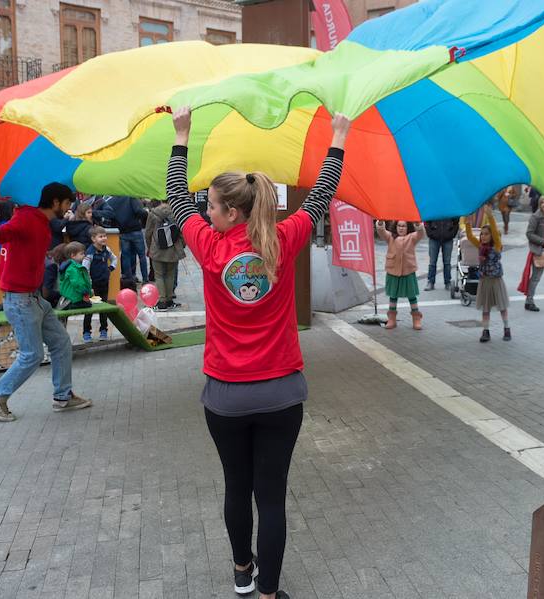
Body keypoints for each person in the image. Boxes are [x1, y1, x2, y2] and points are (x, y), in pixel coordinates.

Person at [166, 105, 350, 599]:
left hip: (226, 396)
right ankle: (268, 593)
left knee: (235, 486)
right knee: (270, 499)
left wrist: (182, 134)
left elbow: (174, 196)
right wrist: (338, 137)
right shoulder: (282, 240)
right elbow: (322, 195)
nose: (205, 211)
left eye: (212, 206)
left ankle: (242, 574)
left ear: (232, 213)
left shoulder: (209, 246)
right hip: (281, 393)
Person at [0, 182, 92, 422]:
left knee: (61, 343)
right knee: (31, 355)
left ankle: (63, 397)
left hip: (34, 299)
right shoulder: (26, 218)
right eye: (66, 203)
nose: (68, 208)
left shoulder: (39, 221)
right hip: (20, 301)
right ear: (55, 203)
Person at [463, 207, 510, 342]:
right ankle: (486, 331)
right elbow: (470, 236)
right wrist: (468, 223)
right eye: (482, 234)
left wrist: (490, 217)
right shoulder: (480, 246)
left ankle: (506, 329)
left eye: (486, 234)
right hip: (484, 280)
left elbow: (495, 233)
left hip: (496, 280)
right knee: (485, 308)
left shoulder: (497, 246)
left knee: (502, 306)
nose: (483, 236)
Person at [377, 220, 426, 330]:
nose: (401, 228)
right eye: (399, 226)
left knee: (411, 295)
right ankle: (392, 319)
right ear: (396, 227)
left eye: (404, 226)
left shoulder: (412, 237)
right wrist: (380, 223)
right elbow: (381, 232)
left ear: (408, 227)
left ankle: (416, 317)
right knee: (393, 296)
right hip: (393, 270)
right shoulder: (390, 237)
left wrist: (418, 225)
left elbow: (421, 233)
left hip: (408, 270)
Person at [145, 199, 186, 310]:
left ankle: (162, 300)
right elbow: (183, 231)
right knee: (170, 274)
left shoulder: (153, 213)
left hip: (157, 248)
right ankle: (169, 299)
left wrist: (150, 247)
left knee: (158, 275)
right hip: (173, 248)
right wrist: (182, 245)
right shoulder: (177, 212)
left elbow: (148, 232)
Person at [97, 195, 148, 283]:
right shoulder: (131, 197)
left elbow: (110, 216)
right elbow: (138, 211)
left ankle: (129, 279)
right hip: (135, 230)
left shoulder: (111, 201)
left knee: (125, 256)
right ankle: (145, 279)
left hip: (122, 232)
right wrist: (146, 212)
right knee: (142, 255)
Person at [83, 226, 117, 339]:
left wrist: (111, 268)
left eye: (105, 236)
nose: (104, 238)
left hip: (104, 283)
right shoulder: (90, 253)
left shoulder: (106, 249)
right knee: (89, 309)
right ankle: (86, 332)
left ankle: (104, 330)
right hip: (93, 285)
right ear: (93, 239)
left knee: (104, 308)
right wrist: (89, 284)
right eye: (101, 236)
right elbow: (85, 269)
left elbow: (114, 258)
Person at [423, 218, 459, 291]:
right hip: (434, 238)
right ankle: (431, 282)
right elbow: (427, 220)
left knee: (447, 262)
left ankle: (447, 282)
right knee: (432, 262)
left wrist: (451, 234)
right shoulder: (433, 206)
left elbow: (456, 221)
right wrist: (430, 233)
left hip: (448, 238)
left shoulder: (451, 207)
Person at [58, 242, 93, 310]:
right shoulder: (73, 268)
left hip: (71, 296)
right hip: (74, 297)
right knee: (88, 305)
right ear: (73, 255)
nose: (84, 255)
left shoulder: (70, 266)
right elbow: (78, 283)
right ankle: (70, 305)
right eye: (81, 253)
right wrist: (85, 292)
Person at [41, 243, 65, 308]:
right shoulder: (52, 266)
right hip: (44, 304)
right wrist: (64, 294)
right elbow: (46, 293)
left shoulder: (48, 260)